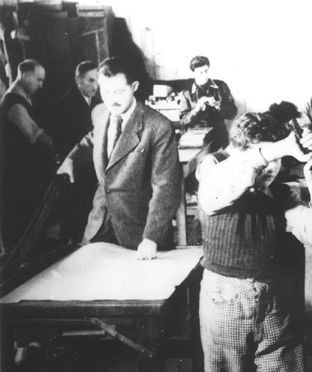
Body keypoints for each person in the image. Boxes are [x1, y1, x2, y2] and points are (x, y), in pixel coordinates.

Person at [196, 101, 312, 372]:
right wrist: (277, 150)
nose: (270, 172)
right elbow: (220, 192)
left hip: (277, 301)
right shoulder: (213, 169)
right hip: (224, 297)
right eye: (265, 163)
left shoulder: (279, 191)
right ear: (246, 152)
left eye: (276, 165)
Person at [57, 57, 181, 260]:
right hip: (99, 224)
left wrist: (151, 238)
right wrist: (71, 159)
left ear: (134, 87)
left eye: (120, 91)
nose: (112, 99)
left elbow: (165, 187)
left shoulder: (158, 126)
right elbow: (90, 141)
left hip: (139, 232)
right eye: (106, 92)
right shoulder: (102, 116)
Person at [0, 59, 55, 253]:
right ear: (24, 75)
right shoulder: (13, 102)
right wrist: (57, 145)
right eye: (38, 80)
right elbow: (33, 134)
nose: (41, 85)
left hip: (22, 175)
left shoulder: (21, 98)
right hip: (17, 178)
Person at [47, 60, 102, 242]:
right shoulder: (63, 106)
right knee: (76, 222)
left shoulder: (98, 102)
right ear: (78, 80)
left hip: (92, 169)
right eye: (91, 80)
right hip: (75, 173)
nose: (95, 86)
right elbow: (61, 144)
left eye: (97, 81)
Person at [180, 55, 238, 152]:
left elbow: (232, 113)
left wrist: (218, 106)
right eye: (200, 72)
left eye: (206, 71)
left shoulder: (221, 86)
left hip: (219, 137)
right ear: (193, 73)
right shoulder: (186, 93)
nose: (204, 75)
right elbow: (183, 122)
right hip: (196, 140)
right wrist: (197, 108)